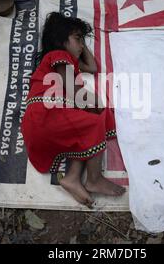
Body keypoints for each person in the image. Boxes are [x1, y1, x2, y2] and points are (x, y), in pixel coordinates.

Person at [21, 12, 125, 208]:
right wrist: (98, 104)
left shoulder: (68, 61)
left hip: (44, 121)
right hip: (46, 115)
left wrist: (80, 44)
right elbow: (76, 92)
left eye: (82, 41)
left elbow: (92, 67)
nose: (81, 45)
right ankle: (94, 178)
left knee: (92, 121)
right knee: (97, 117)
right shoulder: (58, 56)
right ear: (60, 40)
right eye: (77, 39)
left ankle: (72, 178)